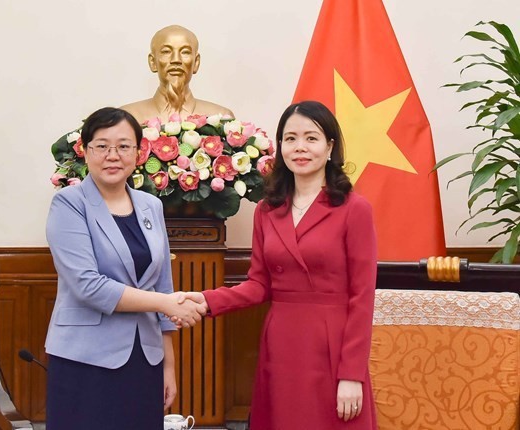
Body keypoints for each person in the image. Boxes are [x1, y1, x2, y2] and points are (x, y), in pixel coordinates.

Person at [181, 101, 378, 429]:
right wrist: (205, 301)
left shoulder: (354, 209)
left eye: (311, 138)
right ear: (281, 147)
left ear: (330, 147)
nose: (300, 147)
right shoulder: (267, 210)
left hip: (332, 347)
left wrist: (352, 375)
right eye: (291, 138)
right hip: (282, 344)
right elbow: (259, 285)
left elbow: (362, 297)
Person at [45, 107, 206, 429]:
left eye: (123, 146)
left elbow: (162, 283)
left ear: (138, 152)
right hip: (85, 358)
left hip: (144, 358)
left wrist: (168, 366)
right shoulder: (68, 204)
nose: (112, 155)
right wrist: (166, 303)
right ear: (85, 151)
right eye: (102, 146)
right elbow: (88, 285)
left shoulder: (151, 205)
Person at [120, 25, 234, 124]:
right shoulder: (127, 118)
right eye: (166, 52)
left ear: (196, 62)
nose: (176, 60)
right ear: (153, 62)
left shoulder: (221, 118)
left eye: (185, 52)